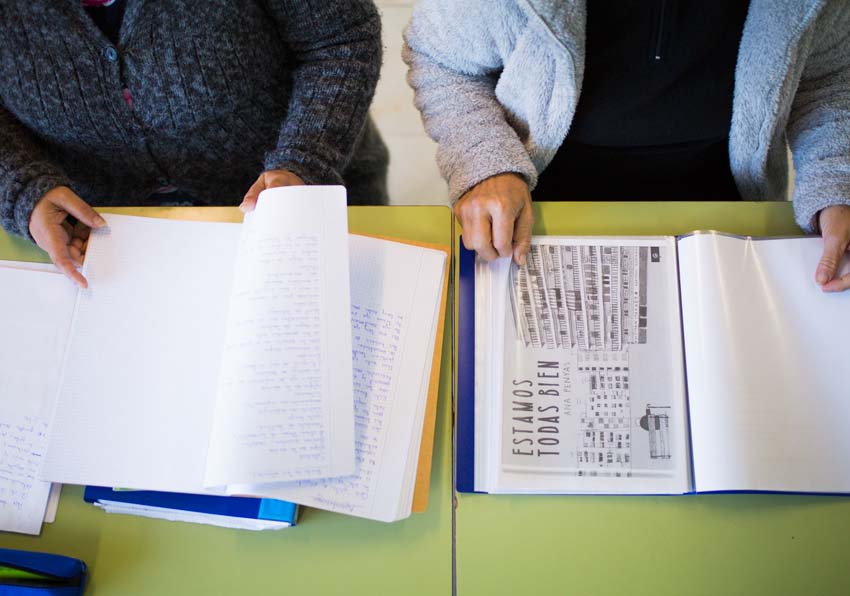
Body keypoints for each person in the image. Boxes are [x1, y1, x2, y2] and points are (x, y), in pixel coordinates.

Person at [404, 0, 850, 291]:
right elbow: (442, 58)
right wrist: (486, 164)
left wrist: (836, 181)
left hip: (729, 210)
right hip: (535, 207)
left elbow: (827, 77)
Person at [0, 0, 388, 288]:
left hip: (303, 198)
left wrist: (305, 159)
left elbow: (340, 37)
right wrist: (21, 188)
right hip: (86, 242)